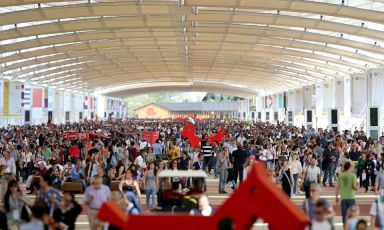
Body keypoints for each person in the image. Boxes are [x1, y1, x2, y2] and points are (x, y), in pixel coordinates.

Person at [335, 161, 358, 226]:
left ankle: (345, 227)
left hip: (343, 199)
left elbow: (337, 187)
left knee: (344, 216)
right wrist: (357, 188)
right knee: (352, 215)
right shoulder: (353, 175)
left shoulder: (340, 176)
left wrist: (336, 196)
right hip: (351, 198)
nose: (353, 168)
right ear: (350, 167)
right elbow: (354, 186)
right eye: (352, 166)